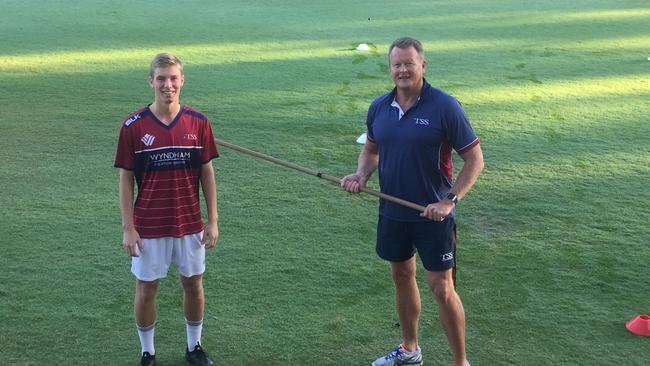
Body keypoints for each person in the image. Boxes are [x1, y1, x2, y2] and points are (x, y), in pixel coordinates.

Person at [341, 37, 483, 366]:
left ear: (422, 65)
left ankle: (461, 362)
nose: (403, 70)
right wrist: (361, 175)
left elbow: (474, 160)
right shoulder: (379, 107)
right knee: (402, 276)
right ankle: (409, 349)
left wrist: (449, 200)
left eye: (409, 63)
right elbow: (372, 150)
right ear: (390, 68)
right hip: (393, 211)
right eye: (397, 64)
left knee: (441, 287)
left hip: (433, 216)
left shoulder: (445, 106)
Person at [115, 53, 219, 366]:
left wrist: (212, 220)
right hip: (149, 224)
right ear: (151, 81)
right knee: (147, 288)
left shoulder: (198, 122)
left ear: (182, 80)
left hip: (189, 223)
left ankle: (194, 347)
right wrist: (128, 227)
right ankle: (147, 352)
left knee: (194, 284)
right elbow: (126, 179)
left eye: (173, 78)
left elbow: (207, 173)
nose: (168, 85)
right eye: (161, 78)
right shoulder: (133, 126)